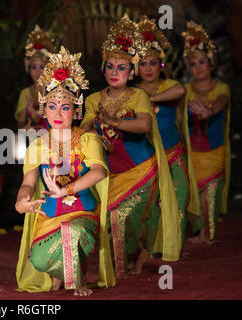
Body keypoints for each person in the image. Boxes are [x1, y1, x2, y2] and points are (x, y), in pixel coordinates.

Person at [80, 14, 181, 278]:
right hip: (111, 172)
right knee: (110, 217)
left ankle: (127, 261)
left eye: (122, 67)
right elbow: (86, 128)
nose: (115, 72)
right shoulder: (92, 99)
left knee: (126, 217)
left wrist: (111, 120)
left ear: (131, 71)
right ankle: (127, 259)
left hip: (141, 169)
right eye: (110, 66)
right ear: (103, 69)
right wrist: (94, 128)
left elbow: (144, 126)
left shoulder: (139, 95)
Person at [15, 46, 115, 296]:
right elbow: (29, 181)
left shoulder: (87, 139)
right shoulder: (38, 144)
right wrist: (21, 201)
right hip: (50, 214)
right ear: (43, 108)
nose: (57, 113)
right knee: (38, 260)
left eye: (65, 107)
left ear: (76, 109)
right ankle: (67, 270)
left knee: (76, 231)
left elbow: (99, 172)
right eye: (52, 106)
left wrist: (65, 190)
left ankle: (77, 280)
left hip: (82, 211)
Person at [136, 16, 201, 250]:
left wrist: (149, 99)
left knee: (179, 197)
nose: (148, 68)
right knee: (154, 203)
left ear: (160, 64)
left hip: (173, 155)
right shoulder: (132, 92)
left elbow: (181, 90)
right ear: (136, 67)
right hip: (149, 159)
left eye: (152, 63)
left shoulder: (169, 86)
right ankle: (154, 247)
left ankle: (174, 247)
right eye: (143, 64)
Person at [181, 21, 231, 244]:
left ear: (211, 63)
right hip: (192, 152)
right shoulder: (186, 91)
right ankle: (200, 231)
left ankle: (208, 233)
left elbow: (221, 103)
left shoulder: (221, 88)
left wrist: (208, 111)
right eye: (193, 64)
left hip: (213, 152)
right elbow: (179, 118)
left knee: (209, 195)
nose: (198, 67)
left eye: (202, 62)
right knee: (194, 195)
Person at [14, 25, 56, 130]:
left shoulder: (56, 92)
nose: (38, 71)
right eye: (33, 67)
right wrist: (27, 127)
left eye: (41, 67)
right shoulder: (25, 94)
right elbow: (21, 126)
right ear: (29, 70)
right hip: (32, 140)